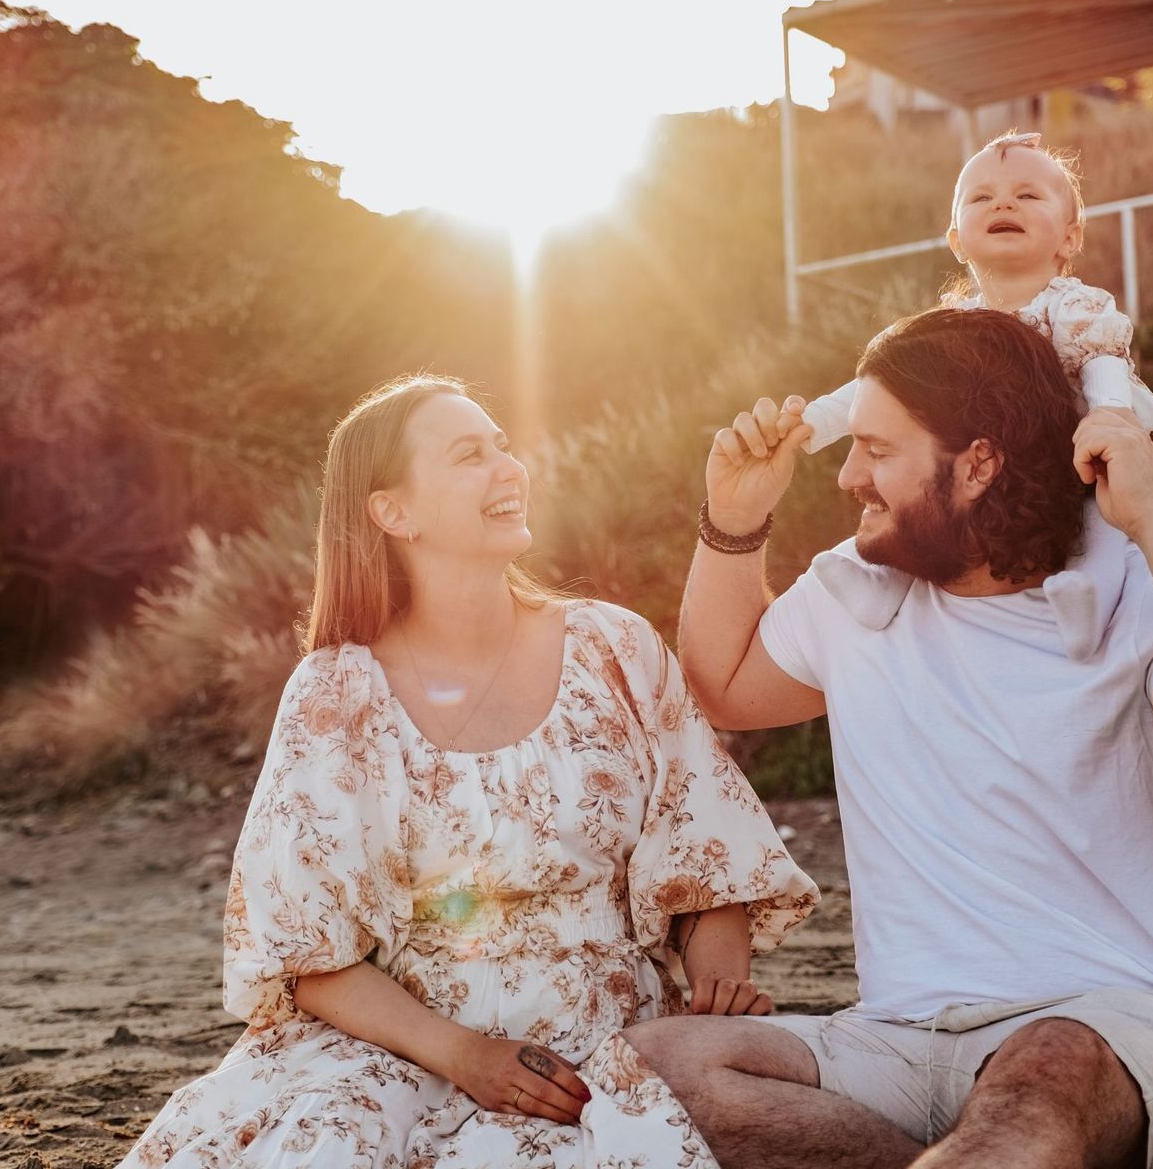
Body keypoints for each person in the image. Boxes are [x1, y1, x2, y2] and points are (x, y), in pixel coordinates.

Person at [629, 308, 1153, 1168]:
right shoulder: (856, 592)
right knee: (654, 1074)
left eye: (879, 451)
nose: (849, 475)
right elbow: (727, 685)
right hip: (905, 1042)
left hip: (1120, 1032)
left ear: (977, 463)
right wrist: (734, 518)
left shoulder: (1126, 588)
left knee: (1045, 1071)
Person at [119, 373, 820, 1168]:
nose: (507, 469)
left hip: (613, 1042)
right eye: (468, 456)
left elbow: (708, 861)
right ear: (393, 511)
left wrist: (716, 986)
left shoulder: (613, 649)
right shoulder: (337, 694)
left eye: (503, 447)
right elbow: (307, 955)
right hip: (405, 1048)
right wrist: (465, 1057)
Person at [795, 132, 1153, 565]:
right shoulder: (955, 327)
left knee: (1108, 534)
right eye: (981, 197)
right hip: (1013, 468)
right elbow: (882, 388)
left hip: (1088, 452)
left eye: (1029, 195)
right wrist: (812, 422)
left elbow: (1103, 363)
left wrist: (1109, 415)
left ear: (1070, 237)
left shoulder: (1074, 306)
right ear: (957, 241)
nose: (1003, 202)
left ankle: (1096, 607)